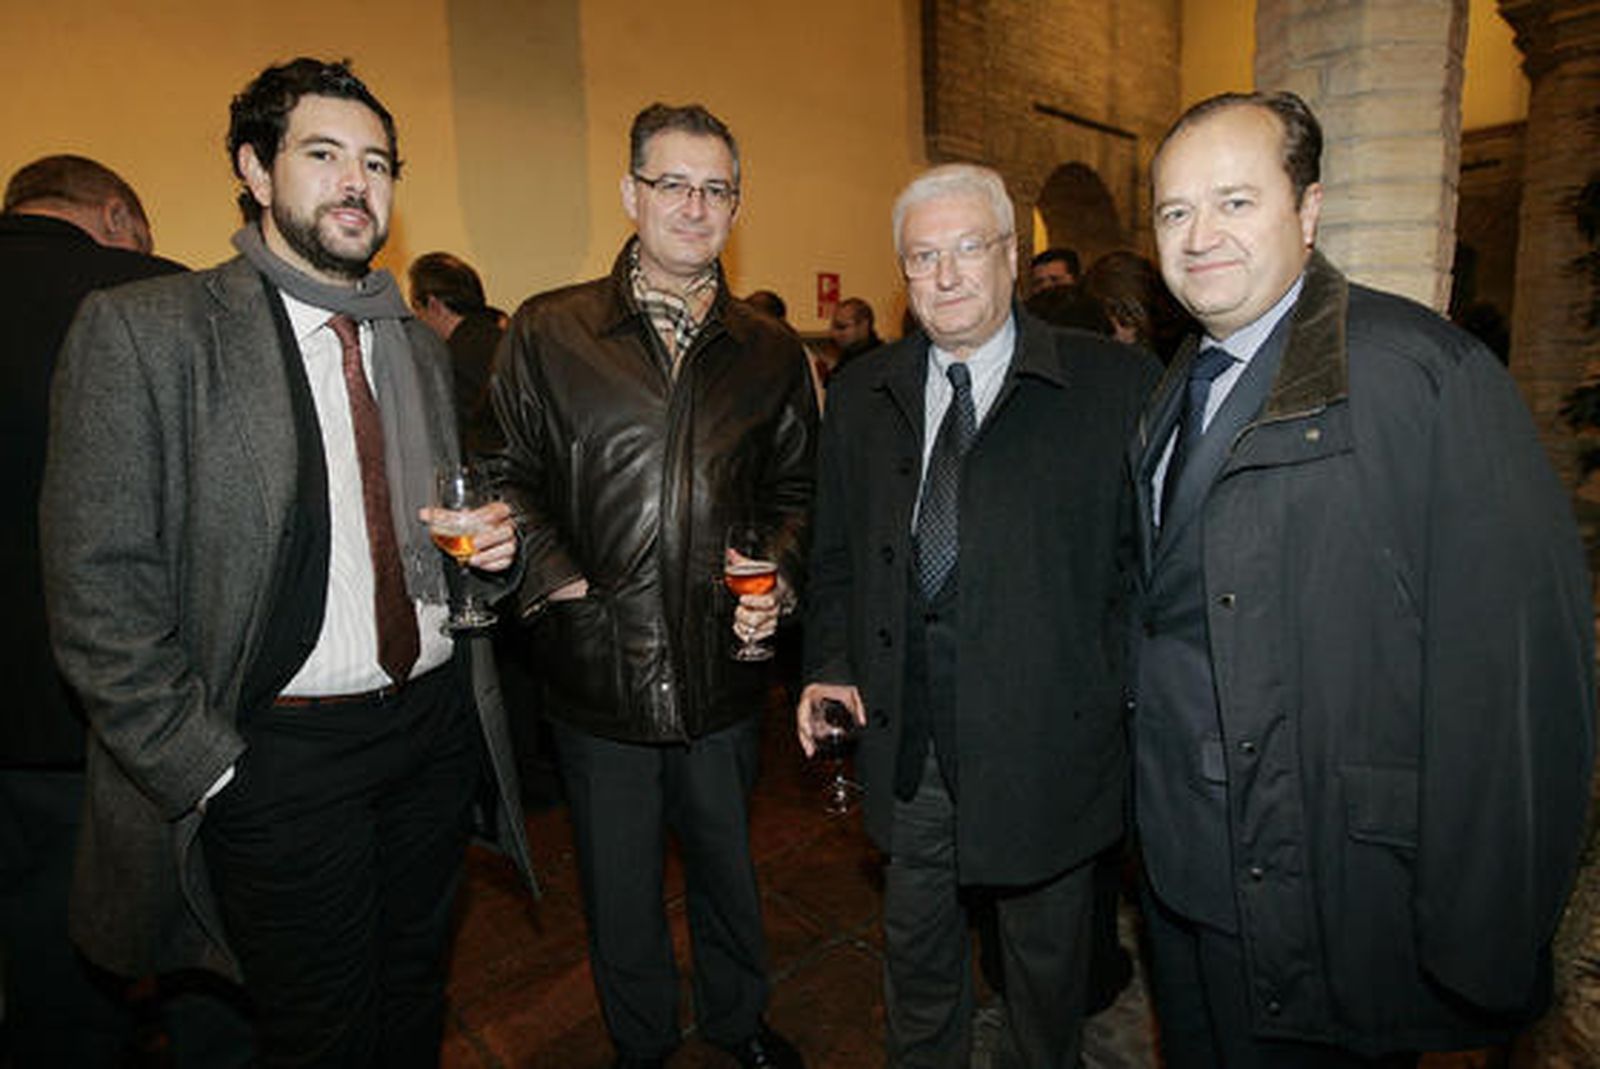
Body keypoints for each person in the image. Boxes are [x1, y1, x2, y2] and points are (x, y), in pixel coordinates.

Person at [40, 58, 536, 1068]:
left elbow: (439, 534)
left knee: (411, 1006)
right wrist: (207, 766)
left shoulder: (416, 347)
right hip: (275, 758)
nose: (358, 182)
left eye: (377, 162)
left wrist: (491, 555)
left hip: (429, 736)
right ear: (256, 171)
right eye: (323, 155)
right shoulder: (151, 332)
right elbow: (95, 589)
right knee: (321, 1035)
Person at [1133, 90, 1595, 1067]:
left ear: (1308, 212)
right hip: (1185, 875)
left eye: (1234, 201)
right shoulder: (1183, 377)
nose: (1199, 235)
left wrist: (1480, 924)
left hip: (1325, 886)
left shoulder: (1421, 376)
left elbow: (1514, 674)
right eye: (1175, 211)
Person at [798, 163, 1158, 1068]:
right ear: (902, 272)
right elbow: (836, 554)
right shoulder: (861, 395)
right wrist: (830, 660)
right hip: (910, 741)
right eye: (924, 257)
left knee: (1045, 978)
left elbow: (1146, 575)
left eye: (968, 249)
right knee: (918, 962)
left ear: (1010, 255)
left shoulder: (1112, 387)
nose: (947, 275)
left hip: (1049, 749)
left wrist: (1103, 698)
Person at [493, 102, 815, 1069]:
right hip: (598, 671)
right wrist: (558, 586)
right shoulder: (550, 332)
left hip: (724, 667)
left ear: (736, 206)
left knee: (728, 868)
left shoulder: (768, 349)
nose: (694, 206)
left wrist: (782, 578)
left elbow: (801, 490)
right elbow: (503, 473)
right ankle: (641, 1040)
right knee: (619, 884)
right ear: (631, 194)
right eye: (673, 183)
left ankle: (736, 1018)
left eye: (716, 188)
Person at [0, 155, 214, 1067]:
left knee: (41, 953)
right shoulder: (163, 300)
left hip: (14, 723)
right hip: (154, 701)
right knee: (199, 944)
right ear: (118, 213)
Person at [407, 251, 507, 456]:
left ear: (433, 305)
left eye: (416, 308)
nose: (416, 319)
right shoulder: (507, 339)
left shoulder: (447, 361)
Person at [828, 295, 882, 368]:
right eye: (833, 327)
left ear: (863, 326)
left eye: (842, 327)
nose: (834, 334)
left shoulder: (879, 360)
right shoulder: (846, 356)